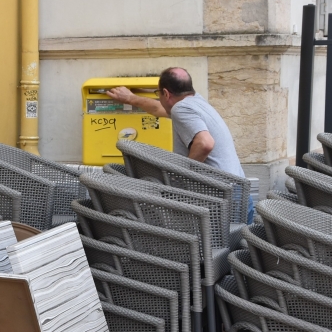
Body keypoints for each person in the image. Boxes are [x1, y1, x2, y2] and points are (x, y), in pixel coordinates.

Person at [106, 67, 254, 223]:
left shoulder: (180, 109)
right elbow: (158, 108)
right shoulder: (196, 101)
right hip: (240, 194)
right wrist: (131, 98)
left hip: (220, 199)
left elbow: (205, 143)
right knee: (238, 246)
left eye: (159, 94)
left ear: (166, 93)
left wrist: (181, 175)